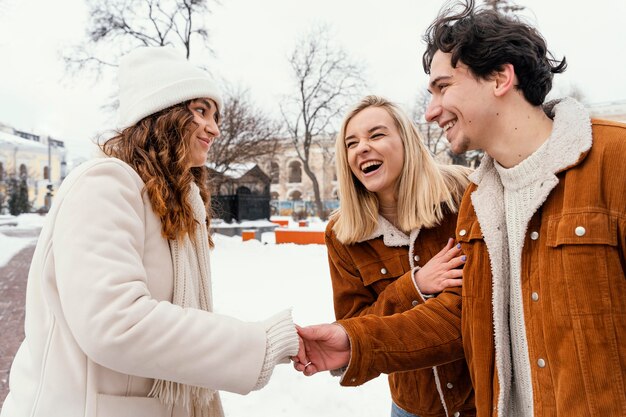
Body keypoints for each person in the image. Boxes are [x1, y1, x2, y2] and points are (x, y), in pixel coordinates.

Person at [294, 1, 626, 416]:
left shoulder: (615, 161)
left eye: (443, 87)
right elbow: (463, 316)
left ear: (501, 77)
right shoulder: (480, 199)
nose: (430, 111)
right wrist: (354, 341)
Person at [1, 46, 302, 417]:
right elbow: (115, 322)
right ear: (163, 114)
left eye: (216, 115)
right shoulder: (105, 184)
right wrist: (261, 344)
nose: (215, 128)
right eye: (201, 111)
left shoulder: (175, 202)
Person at [324, 95, 474, 417]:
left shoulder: (462, 194)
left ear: (407, 140)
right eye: (351, 143)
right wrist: (414, 285)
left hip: (483, 401)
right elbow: (353, 325)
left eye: (376, 135)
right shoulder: (343, 233)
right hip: (412, 408)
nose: (361, 148)